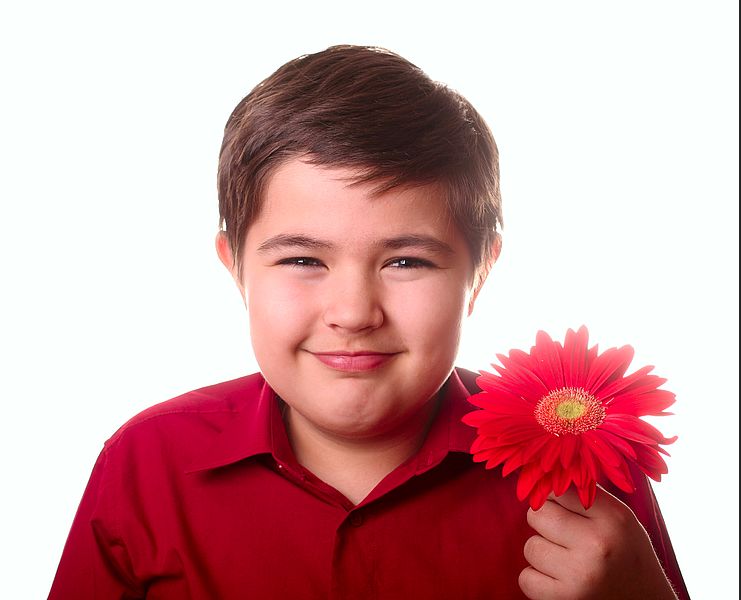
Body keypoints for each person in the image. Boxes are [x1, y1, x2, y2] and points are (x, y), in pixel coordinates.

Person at [49, 45, 689, 599]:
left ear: (481, 272)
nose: (354, 313)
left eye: (406, 260)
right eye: (303, 259)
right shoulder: (145, 466)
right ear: (235, 268)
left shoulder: (583, 475)